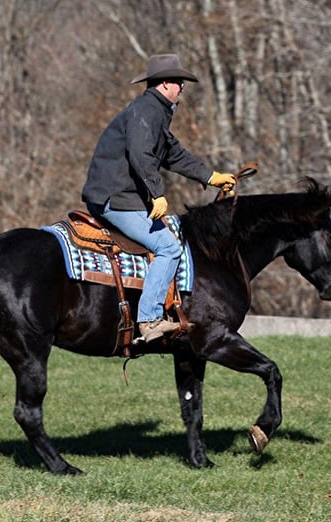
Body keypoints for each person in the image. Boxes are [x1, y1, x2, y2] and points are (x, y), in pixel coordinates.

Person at [82, 53, 237, 343]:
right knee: (168, 247)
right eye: (180, 83)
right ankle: (150, 320)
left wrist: (210, 176)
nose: (182, 89)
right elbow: (141, 154)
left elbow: (172, 154)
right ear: (166, 84)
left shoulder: (153, 112)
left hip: (120, 195)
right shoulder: (147, 111)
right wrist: (157, 194)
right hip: (115, 198)